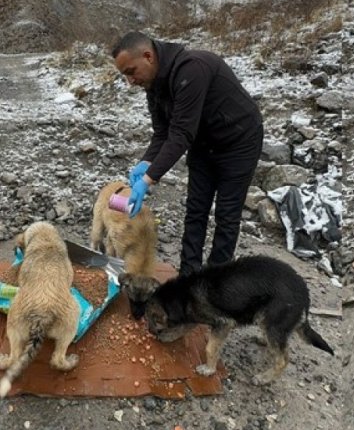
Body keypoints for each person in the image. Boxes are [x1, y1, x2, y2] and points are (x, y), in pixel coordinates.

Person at [111, 32, 263, 275]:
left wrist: (149, 179)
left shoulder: (192, 69)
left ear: (148, 56)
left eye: (131, 71)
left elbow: (181, 134)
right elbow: (163, 133)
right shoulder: (154, 85)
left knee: (226, 215)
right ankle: (188, 276)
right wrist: (145, 162)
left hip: (238, 142)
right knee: (196, 209)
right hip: (203, 144)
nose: (130, 81)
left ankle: (215, 283)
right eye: (125, 76)